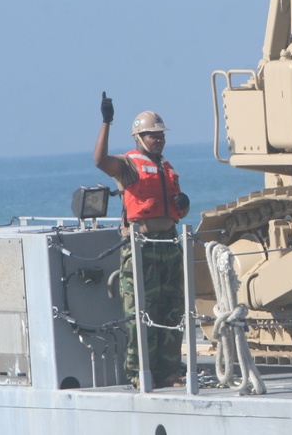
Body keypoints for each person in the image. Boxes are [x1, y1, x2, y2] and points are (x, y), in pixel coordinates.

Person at [94, 92, 190, 389]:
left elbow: (177, 209)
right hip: (141, 245)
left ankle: (169, 371)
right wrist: (106, 122)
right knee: (140, 312)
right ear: (139, 137)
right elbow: (99, 160)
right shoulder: (129, 165)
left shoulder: (166, 167)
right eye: (151, 135)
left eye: (160, 135)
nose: (158, 139)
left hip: (168, 244)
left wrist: (183, 203)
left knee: (172, 310)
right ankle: (140, 373)